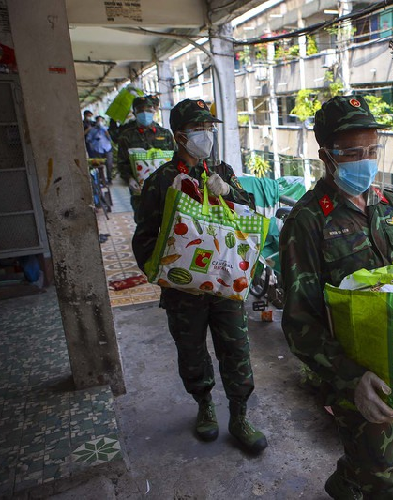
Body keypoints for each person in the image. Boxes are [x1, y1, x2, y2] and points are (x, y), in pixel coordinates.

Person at [280, 95, 393, 499]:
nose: (365, 161)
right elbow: (301, 323)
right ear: (327, 156)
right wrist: (350, 380)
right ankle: (361, 480)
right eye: (353, 152)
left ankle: (344, 481)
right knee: (383, 482)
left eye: (372, 150)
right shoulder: (308, 222)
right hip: (355, 378)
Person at [132, 98, 267, 454]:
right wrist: (161, 273)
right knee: (191, 351)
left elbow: (249, 214)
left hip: (225, 284)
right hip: (183, 291)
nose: (207, 134)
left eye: (210, 128)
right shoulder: (161, 181)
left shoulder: (221, 171)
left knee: (236, 350)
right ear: (180, 135)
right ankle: (204, 404)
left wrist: (230, 193)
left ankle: (239, 415)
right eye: (200, 129)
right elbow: (143, 236)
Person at [117, 95, 174, 220]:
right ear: (134, 112)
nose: (145, 113)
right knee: (143, 221)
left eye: (148, 109)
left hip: (164, 188)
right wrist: (129, 179)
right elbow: (121, 163)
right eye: (140, 110)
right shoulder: (126, 136)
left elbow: (175, 159)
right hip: (140, 191)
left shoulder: (165, 134)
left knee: (167, 220)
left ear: (154, 111)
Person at [87, 115, 114, 182]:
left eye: (101, 120)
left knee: (109, 163)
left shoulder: (106, 129)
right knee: (99, 165)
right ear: (96, 121)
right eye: (98, 120)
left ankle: (109, 178)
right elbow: (88, 139)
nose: (99, 122)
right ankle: (101, 179)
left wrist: (106, 132)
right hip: (97, 149)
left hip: (107, 148)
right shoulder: (93, 130)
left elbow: (110, 139)